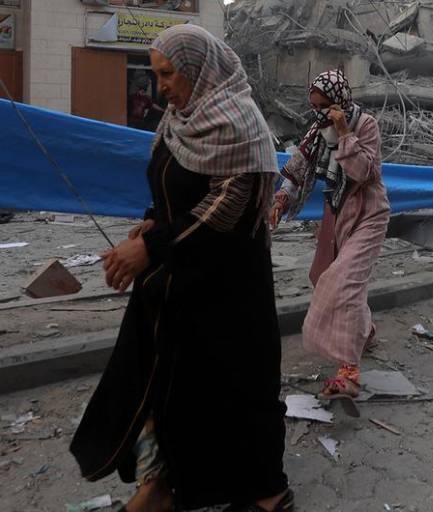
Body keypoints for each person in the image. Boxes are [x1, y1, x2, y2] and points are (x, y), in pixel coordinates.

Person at [70, 25, 292, 512]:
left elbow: (226, 209)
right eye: (156, 74)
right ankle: (164, 485)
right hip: (179, 276)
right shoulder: (178, 119)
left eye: (168, 73)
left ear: (197, 68)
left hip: (228, 288)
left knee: (239, 388)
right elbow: (171, 188)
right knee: (171, 384)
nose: (161, 86)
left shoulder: (240, 124)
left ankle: (269, 494)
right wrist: (151, 224)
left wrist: (151, 246)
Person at [271, 69, 390, 398]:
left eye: (325, 106)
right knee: (322, 275)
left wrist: (344, 134)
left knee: (343, 282)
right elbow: (299, 166)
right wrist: (281, 200)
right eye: (315, 107)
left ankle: (349, 371)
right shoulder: (317, 131)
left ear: (340, 101)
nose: (320, 113)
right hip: (336, 211)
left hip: (367, 213)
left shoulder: (364, 125)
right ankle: (365, 332)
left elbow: (365, 172)